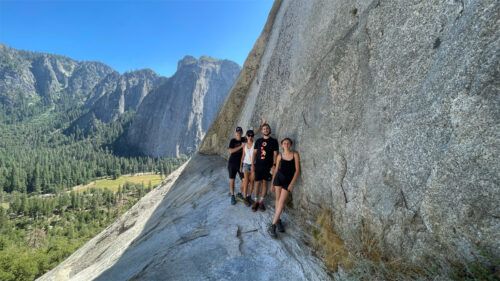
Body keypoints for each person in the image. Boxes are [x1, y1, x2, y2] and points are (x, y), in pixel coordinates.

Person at [268, 137, 300, 238]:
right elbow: (276, 170)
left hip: (288, 182)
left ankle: (272, 225)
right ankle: (278, 221)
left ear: (290, 145)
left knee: (281, 202)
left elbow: (297, 170)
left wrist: (292, 184)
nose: (286, 144)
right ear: (282, 145)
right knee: (278, 200)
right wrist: (272, 183)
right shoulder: (279, 155)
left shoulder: (295, 154)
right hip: (278, 178)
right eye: (284, 143)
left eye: (288, 143)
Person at [251, 122, 279, 212]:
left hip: (268, 166)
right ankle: (256, 201)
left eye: (267, 128)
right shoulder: (258, 141)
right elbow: (254, 153)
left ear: (269, 130)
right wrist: (252, 164)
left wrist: (274, 165)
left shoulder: (274, 141)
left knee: (265, 183)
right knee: (257, 183)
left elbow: (275, 154)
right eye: (264, 129)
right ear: (262, 131)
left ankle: (261, 201)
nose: (265, 130)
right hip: (258, 165)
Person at [227, 126, 245, 205]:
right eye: (237, 132)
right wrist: (241, 146)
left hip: (240, 164)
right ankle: (232, 196)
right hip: (232, 163)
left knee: (244, 180)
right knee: (232, 180)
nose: (238, 133)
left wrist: (261, 126)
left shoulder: (244, 139)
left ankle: (240, 194)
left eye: (240, 132)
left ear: (241, 133)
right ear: (235, 133)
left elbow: (252, 133)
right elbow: (230, 151)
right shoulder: (233, 141)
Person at [240, 130, 255, 207]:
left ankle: (249, 196)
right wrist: (240, 166)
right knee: (246, 180)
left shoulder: (255, 145)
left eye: (251, 135)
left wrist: (253, 165)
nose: (250, 137)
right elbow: (243, 156)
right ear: (246, 136)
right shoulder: (245, 145)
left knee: (252, 181)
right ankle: (245, 197)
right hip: (246, 164)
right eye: (248, 135)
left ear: (253, 136)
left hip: (253, 165)